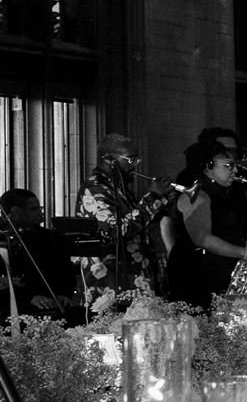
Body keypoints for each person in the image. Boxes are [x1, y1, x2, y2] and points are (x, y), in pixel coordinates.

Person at [166, 142, 247, 306]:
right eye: (228, 166)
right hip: (198, 275)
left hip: (218, 270)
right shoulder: (198, 195)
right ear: (208, 167)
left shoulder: (225, 193)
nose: (235, 170)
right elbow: (202, 239)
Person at [77, 132, 175, 293]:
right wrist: (152, 197)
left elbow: (138, 226)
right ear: (109, 159)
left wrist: (163, 202)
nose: (135, 165)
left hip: (133, 278)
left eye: (137, 159)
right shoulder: (95, 189)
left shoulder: (119, 189)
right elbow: (116, 231)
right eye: (130, 159)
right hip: (109, 283)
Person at [1, 188, 84, 322]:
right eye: (33, 209)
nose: (40, 213)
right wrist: (29, 297)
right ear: (15, 212)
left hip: (51, 305)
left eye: (39, 208)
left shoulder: (49, 237)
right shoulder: (3, 240)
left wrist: (62, 294)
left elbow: (64, 270)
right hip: (14, 309)